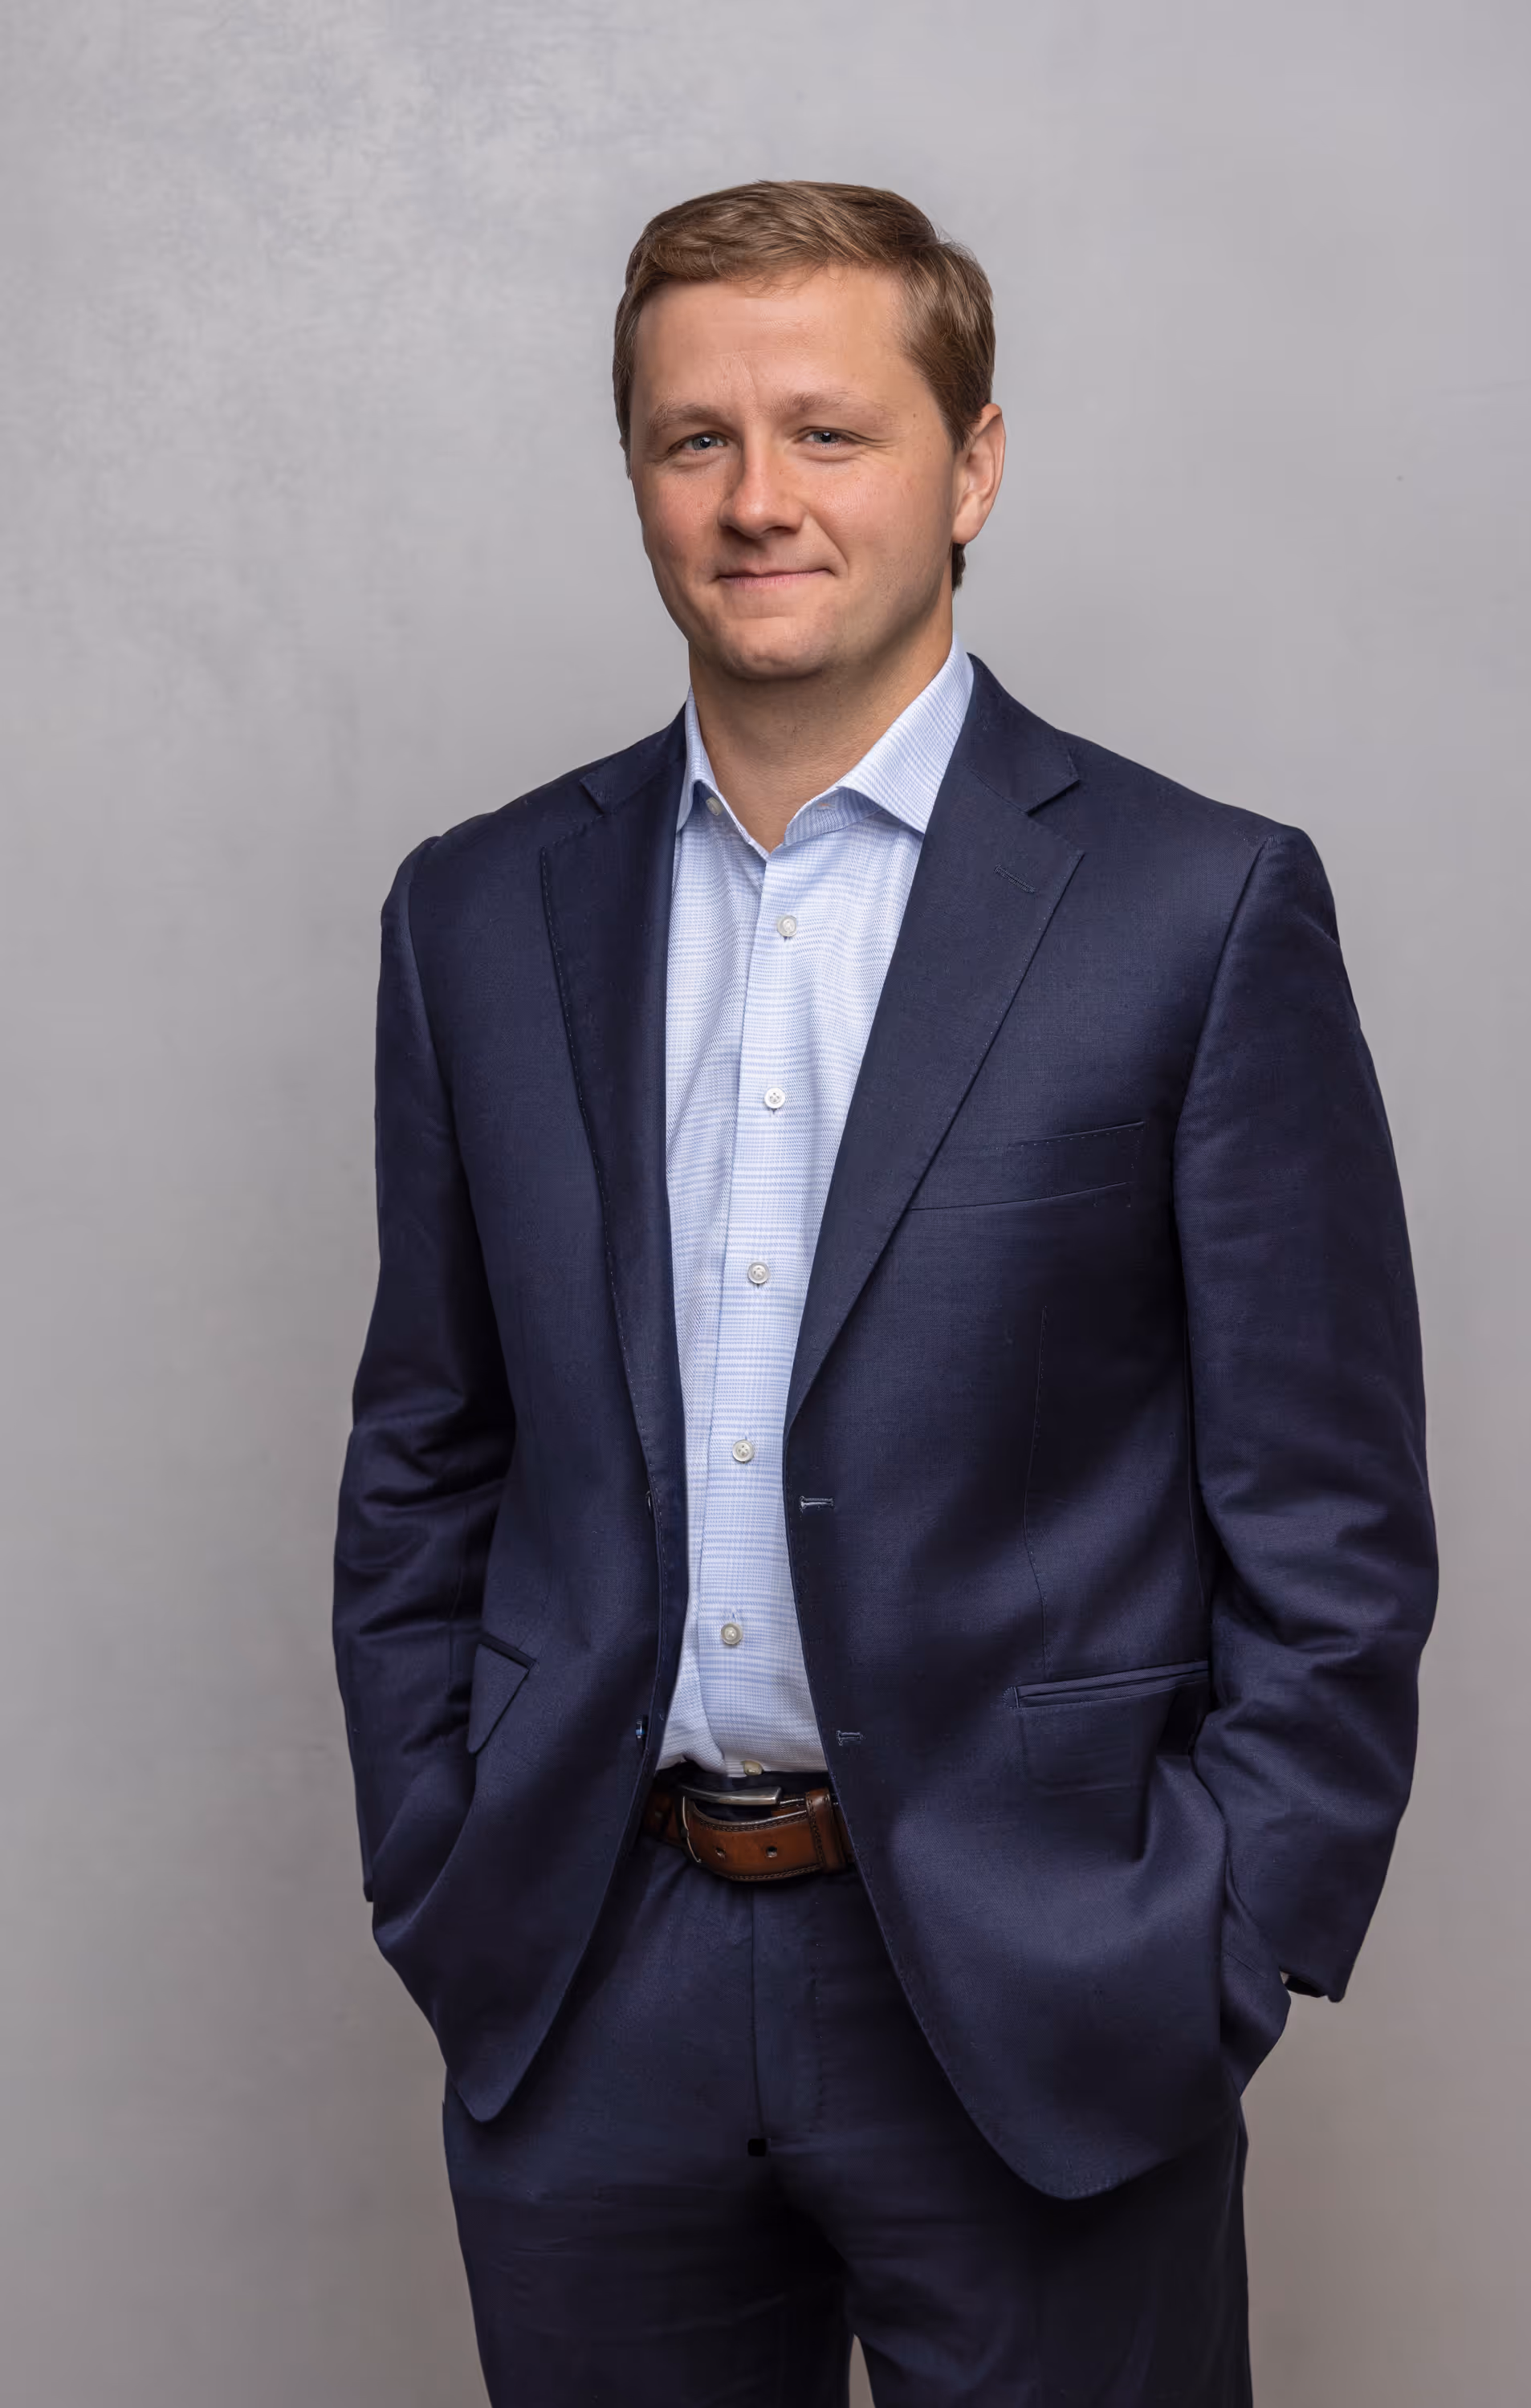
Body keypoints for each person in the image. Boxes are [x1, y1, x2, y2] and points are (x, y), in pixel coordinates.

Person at [333, 180, 1436, 2406]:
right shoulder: (475, 913)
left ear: (975, 465)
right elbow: (427, 1442)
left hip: (1044, 1981)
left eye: (831, 434)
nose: (759, 501)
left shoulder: (1196, 910)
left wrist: (1224, 1935)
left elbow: (1328, 1514)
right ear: (636, 474)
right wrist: (437, 1858)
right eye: (694, 440)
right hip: (585, 1967)